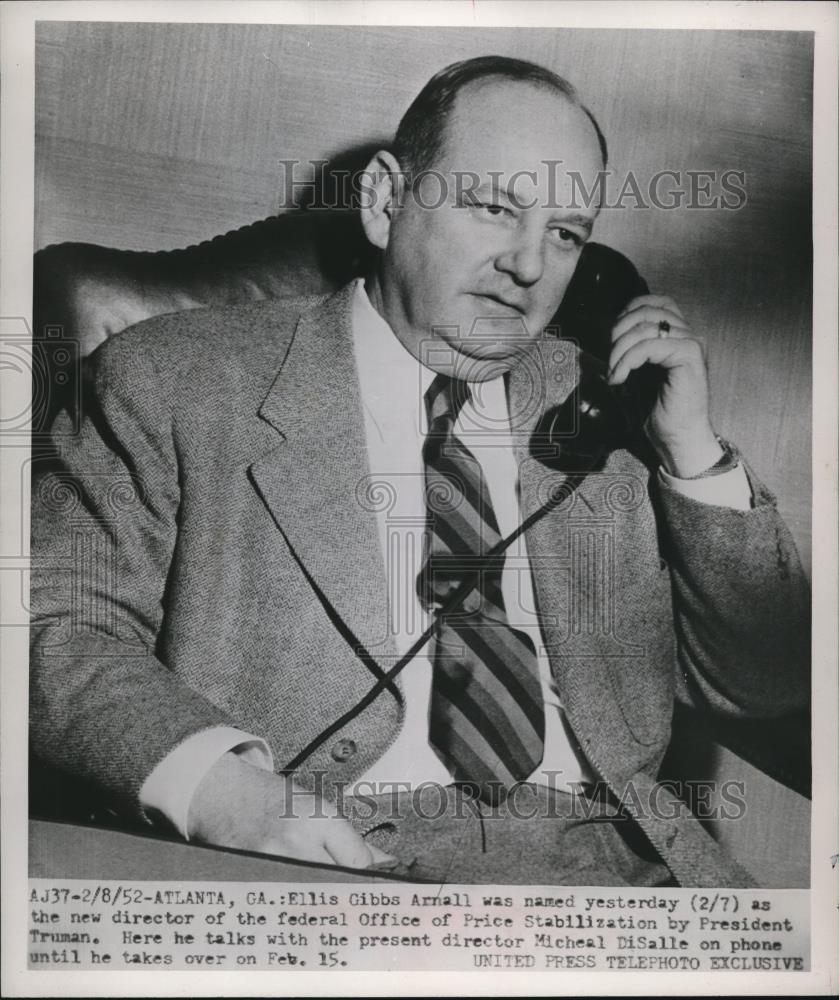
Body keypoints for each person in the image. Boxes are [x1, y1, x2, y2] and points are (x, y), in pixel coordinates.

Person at [30, 56, 809, 886]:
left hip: (621, 876)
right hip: (333, 866)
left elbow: (765, 685)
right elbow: (53, 624)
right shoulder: (173, 378)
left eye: (565, 233)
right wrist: (223, 789)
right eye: (491, 208)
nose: (528, 266)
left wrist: (693, 452)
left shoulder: (606, 407)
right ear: (382, 201)